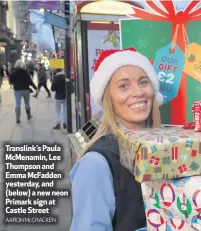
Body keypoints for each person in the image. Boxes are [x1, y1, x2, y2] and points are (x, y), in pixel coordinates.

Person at [70, 47, 163, 231]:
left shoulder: (164, 147)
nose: (138, 92)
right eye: (123, 86)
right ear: (108, 98)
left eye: (143, 82)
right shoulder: (96, 163)